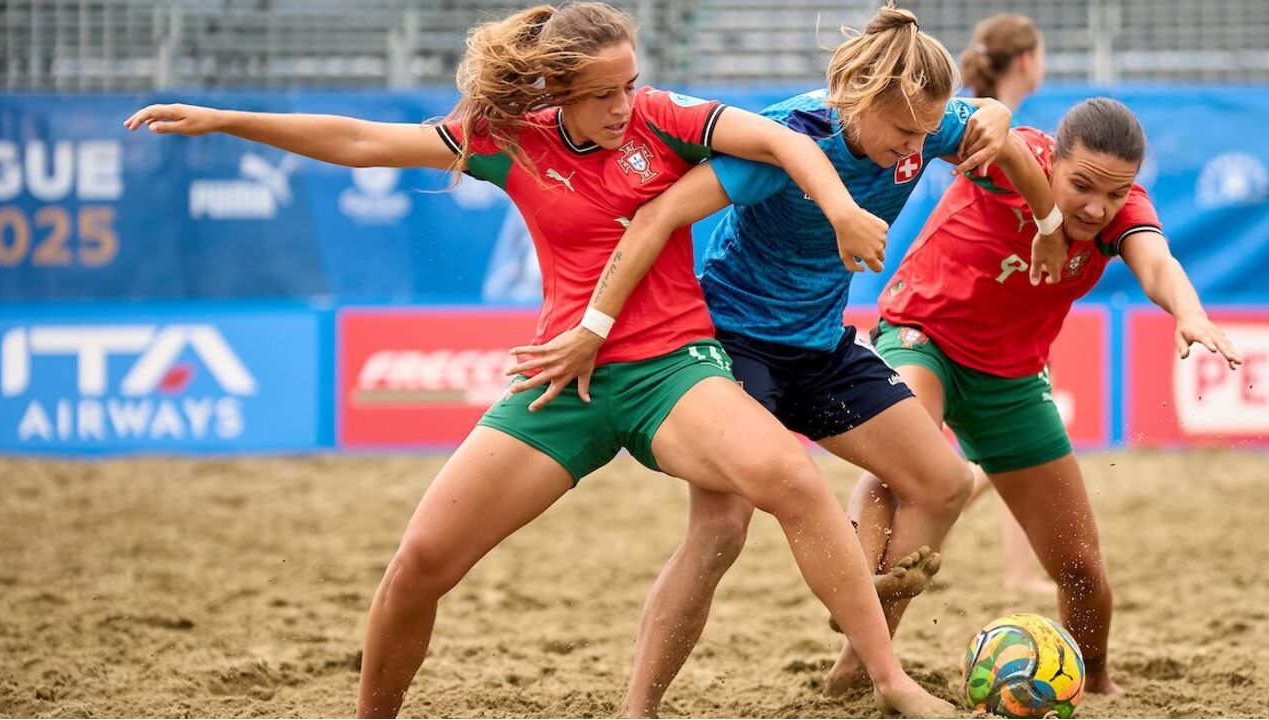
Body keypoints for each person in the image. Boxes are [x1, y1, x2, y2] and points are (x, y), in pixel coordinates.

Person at [124, 3, 954, 718]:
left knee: (793, 481)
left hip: (676, 367)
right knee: (418, 567)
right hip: (564, 375)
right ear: (555, 92)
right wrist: (227, 119)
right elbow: (359, 140)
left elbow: (785, 142)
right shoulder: (507, 140)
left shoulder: (664, 117)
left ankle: (885, 678)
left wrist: (843, 208)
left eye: (630, 83)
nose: (625, 105)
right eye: (603, 94)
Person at [511, 4, 1069, 714]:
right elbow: (657, 217)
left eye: (927, 135)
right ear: (860, 101)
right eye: (902, 132)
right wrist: (597, 324)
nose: (915, 148)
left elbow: (1008, 147)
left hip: (820, 344)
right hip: (735, 345)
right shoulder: (786, 139)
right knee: (719, 532)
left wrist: (1048, 224)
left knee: (944, 482)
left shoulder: (924, 122)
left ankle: (856, 666)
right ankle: (639, 706)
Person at [864, 97, 1242, 695]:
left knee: (1080, 569)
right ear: (1055, 160)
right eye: (1083, 186)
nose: (1097, 208)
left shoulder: (1123, 212)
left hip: (1012, 382)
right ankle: (859, 636)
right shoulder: (1017, 159)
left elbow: (1158, 265)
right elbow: (979, 126)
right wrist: (990, 111)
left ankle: (1094, 683)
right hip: (922, 338)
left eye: (1116, 194)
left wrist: (1189, 313)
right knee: (905, 459)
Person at [959, 13, 1055, 594]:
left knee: (1014, 450)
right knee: (1009, 450)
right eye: (1042, 53)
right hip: (995, 298)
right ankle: (922, 527)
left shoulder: (984, 122)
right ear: (1025, 61)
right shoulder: (987, 126)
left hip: (1008, 294)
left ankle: (1020, 572)